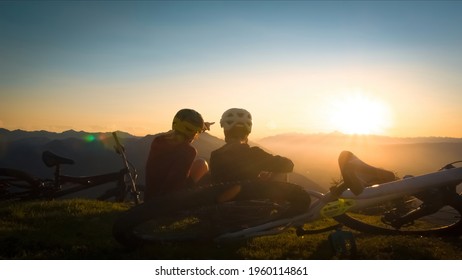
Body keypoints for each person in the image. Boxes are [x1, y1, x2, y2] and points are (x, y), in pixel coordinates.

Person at [209, 108, 294, 184]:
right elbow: (289, 165)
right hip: (252, 197)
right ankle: (278, 201)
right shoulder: (255, 154)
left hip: (225, 199)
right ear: (248, 130)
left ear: (225, 130)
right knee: (282, 171)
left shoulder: (215, 155)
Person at [144, 108, 213, 202]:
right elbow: (176, 184)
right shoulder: (188, 151)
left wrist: (203, 126)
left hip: (149, 197)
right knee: (201, 164)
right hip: (166, 203)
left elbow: (187, 129)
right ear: (193, 133)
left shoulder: (158, 141)